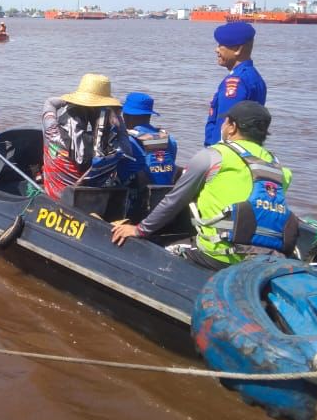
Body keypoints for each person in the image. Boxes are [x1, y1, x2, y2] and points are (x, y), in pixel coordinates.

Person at [111, 101, 297, 270]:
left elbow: (174, 200)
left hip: (219, 255)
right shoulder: (279, 168)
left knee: (160, 248)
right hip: (269, 258)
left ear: (231, 128)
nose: (223, 125)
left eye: (226, 122)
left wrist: (139, 230)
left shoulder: (214, 156)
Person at [41, 74, 127, 201]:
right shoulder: (110, 147)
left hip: (55, 200)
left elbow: (50, 102)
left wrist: (68, 101)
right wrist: (114, 113)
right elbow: (123, 134)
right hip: (89, 202)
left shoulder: (52, 132)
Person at [203, 21, 266, 146]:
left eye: (221, 45)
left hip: (226, 154)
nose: (216, 50)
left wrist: (215, 154)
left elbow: (226, 124)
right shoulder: (255, 78)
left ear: (237, 49)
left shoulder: (236, 82)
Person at [117, 92, 178, 187]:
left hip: (135, 197)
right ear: (149, 115)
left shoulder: (127, 141)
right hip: (164, 195)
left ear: (126, 116)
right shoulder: (170, 140)